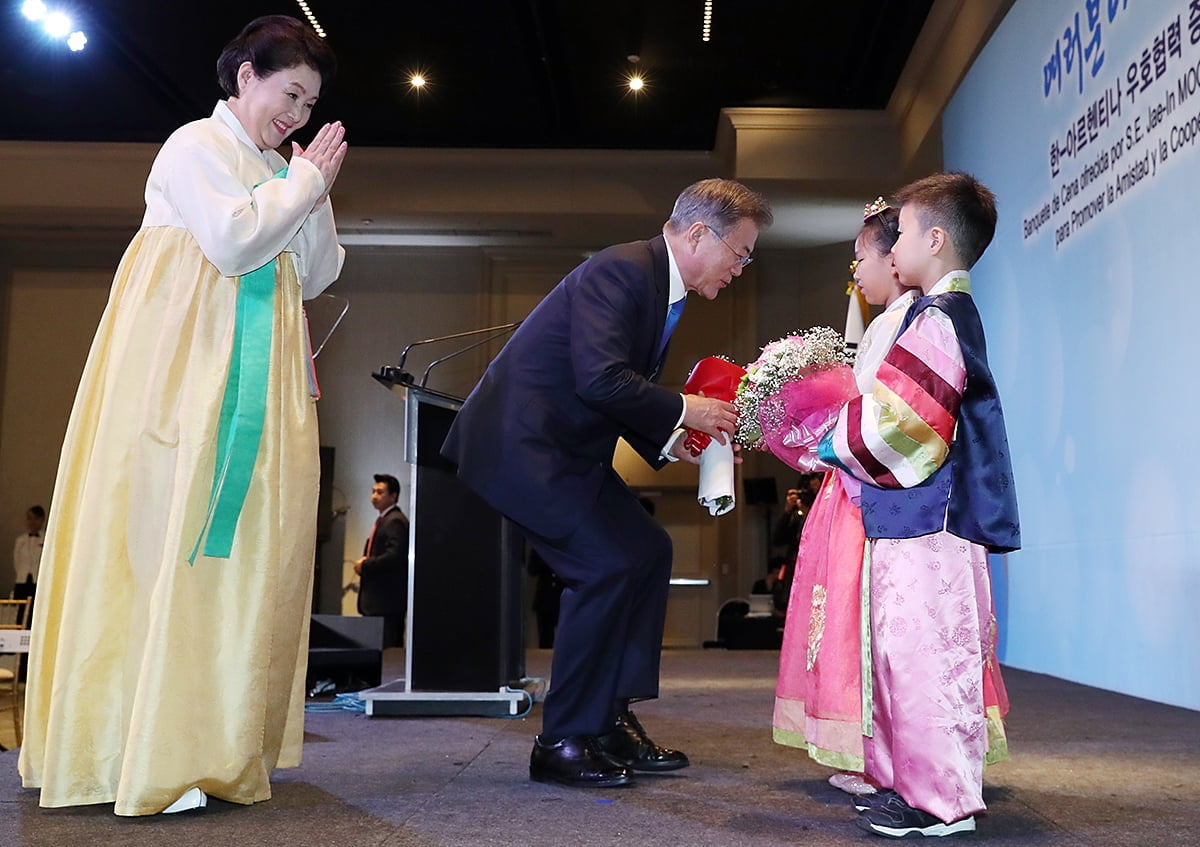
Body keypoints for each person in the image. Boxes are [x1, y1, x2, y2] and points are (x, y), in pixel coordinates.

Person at [19, 15, 346, 816]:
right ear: (244, 77)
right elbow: (235, 245)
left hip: (253, 378)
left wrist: (312, 188)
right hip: (183, 374)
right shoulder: (192, 146)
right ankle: (145, 748)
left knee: (235, 569)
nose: (297, 115)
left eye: (309, 102)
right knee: (170, 543)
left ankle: (213, 746)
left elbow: (317, 271)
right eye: (289, 92)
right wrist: (300, 185)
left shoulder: (276, 164)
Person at [442, 178, 773, 788]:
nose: (741, 269)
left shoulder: (657, 285)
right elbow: (600, 380)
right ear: (699, 234)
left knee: (647, 550)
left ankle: (607, 719)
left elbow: (614, 391)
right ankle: (563, 738)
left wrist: (678, 442)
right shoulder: (621, 271)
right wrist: (687, 409)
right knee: (604, 565)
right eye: (741, 253)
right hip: (524, 449)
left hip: (564, 453)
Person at [819, 173, 1019, 838]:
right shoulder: (936, 315)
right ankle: (914, 785)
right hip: (915, 522)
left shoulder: (938, 320)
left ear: (935, 239)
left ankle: (941, 800)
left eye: (900, 232)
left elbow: (902, 427)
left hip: (931, 525)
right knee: (902, 654)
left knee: (927, 656)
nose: (893, 244)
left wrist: (830, 437)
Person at [773, 199, 918, 795]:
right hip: (854, 481)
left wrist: (822, 437)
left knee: (865, 621)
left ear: (897, 257)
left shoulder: (906, 320)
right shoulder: (889, 320)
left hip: (870, 488)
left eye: (862, 257)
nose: (855, 271)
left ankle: (880, 753)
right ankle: (872, 750)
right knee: (852, 620)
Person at [354, 474, 410, 648]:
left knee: (387, 654)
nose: (374, 496)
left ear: (393, 496)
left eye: (380, 492)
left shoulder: (395, 522)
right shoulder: (385, 520)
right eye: (373, 491)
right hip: (379, 603)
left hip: (386, 603)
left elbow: (394, 556)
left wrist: (365, 565)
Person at [12, 505, 45, 598]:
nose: (32, 522)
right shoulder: (20, 540)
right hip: (22, 580)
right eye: (29, 518)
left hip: (38, 581)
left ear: (42, 520)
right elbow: (16, 561)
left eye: (36, 518)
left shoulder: (47, 540)